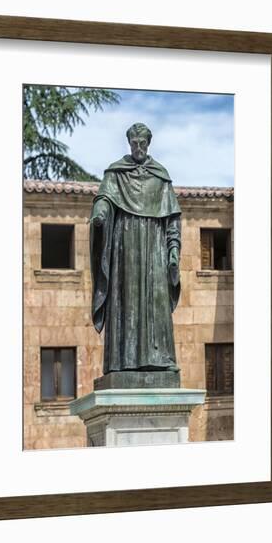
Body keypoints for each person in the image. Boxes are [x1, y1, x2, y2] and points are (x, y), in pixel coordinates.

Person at [90, 122, 181, 374]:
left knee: (156, 301)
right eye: (134, 143)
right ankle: (122, 362)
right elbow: (104, 199)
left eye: (142, 143)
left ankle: (160, 358)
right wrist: (100, 214)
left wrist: (173, 251)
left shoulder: (160, 176)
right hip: (125, 246)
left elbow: (172, 219)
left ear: (148, 143)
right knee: (125, 300)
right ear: (129, 143)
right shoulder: (116, 174)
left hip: (155, 249)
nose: (138, 147)